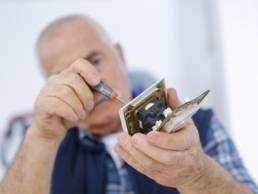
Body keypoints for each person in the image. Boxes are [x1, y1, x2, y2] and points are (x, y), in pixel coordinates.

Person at [0, 15, 257, 194]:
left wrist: (196, 174)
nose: (92, 82)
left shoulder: (201, 126)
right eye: (68, 74)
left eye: (95, 60)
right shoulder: (43, 148)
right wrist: (42, 137)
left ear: (120, 56)